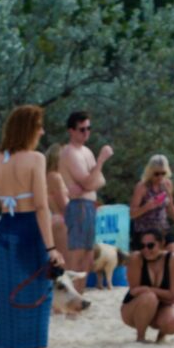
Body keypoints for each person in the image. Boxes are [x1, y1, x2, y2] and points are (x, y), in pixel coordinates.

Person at [0, 104, 62, 348]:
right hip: (31, 227)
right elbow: (42, 206)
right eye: (39, 126)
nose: (42, 131)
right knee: (40, 292)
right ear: (29, 129)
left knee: (6, 296)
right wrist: (51, 246)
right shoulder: (36, 159)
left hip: (6, 229)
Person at [56, 110, 112, 280]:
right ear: (71, 131)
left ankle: (78, 299)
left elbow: (100, 180)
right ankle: (70, 299)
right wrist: (101, 160)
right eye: (82, 129)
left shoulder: (86, 151)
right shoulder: (70, 152)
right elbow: (90, 182)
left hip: (87, 205)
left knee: (88, 257)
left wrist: (88, 184)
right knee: (77, 255)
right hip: (79, 206)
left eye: (89, 128)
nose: (86, 132)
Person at [120, 225, 174, 341]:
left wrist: (147, 289)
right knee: (149, 298)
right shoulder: (136, 258)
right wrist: (162, 295)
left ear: (161, 243)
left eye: (150, 245)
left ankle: (160, 337)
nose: (146, 250)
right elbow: (134, 291)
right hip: (134, 309)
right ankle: (141, 337)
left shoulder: (172, 260)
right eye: (142, 246)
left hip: (161, 308)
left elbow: (172, 294)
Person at [131, 155, 174, 245]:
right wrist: (146, 207)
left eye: (163, 173)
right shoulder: (142, 187)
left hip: (162, 227)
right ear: (150, 172)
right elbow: (132, 214)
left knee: (173, 254)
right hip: (144, 229)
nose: (160, 177)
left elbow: (171, 207)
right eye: (157, 174)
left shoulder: (167, 184)